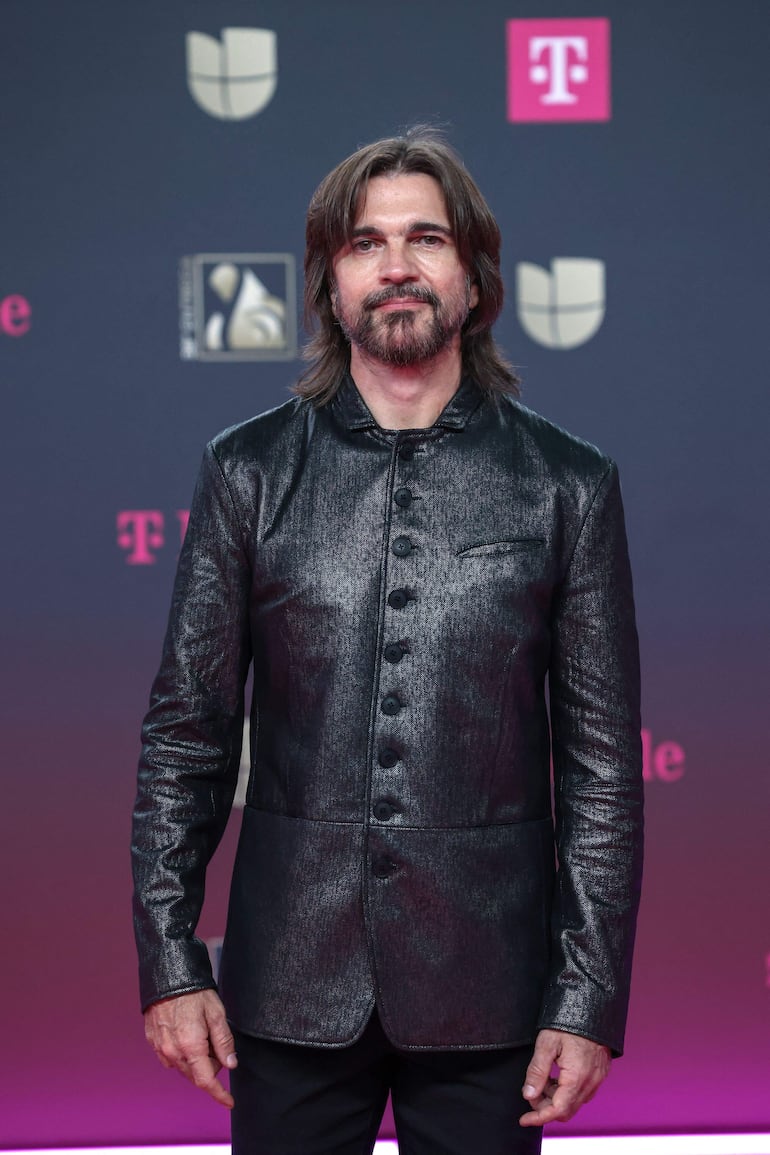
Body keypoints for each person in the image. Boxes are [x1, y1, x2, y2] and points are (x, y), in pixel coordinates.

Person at [132, 127, 643, 1155]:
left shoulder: (564, 483)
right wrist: (170, 962)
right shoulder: (247, 470)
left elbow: (598, 773)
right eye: (364, 244)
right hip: (284, 984)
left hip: (490, 993)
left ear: (474, 275)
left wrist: (584, 997)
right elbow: (186, 732)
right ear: (327, 281)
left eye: (427, 239)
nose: (397, 266)